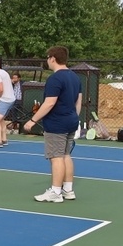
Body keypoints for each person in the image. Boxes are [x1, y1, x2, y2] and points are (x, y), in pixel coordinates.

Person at [22, 46, 82, 203]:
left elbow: (49, 103)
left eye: (47, 57)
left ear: (53, 58)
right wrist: (73, 118)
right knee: (66, 155)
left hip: (57, 123)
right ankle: (68, 190)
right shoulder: (75, 77)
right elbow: (78, 102)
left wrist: (32, 120)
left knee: (56, 157)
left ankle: (55, 192)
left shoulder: (55, 79)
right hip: (71, 121)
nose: (47, 60)